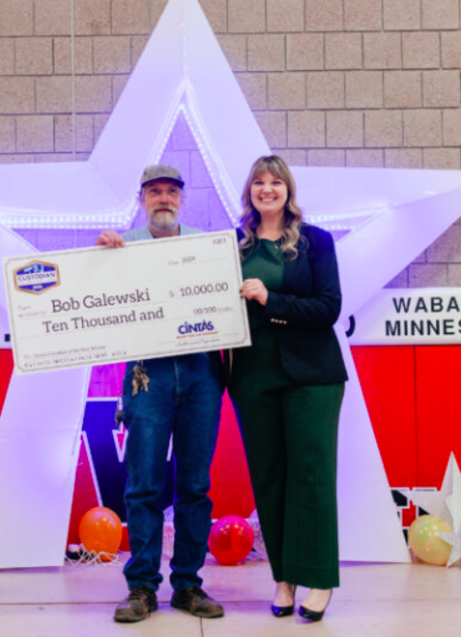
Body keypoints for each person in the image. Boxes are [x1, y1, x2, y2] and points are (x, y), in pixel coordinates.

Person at [97, 164, 226, 623]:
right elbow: (95, 296)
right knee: (144, 484)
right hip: (146, 375)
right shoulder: (121, 247)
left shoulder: (206, 247)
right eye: (155, 192)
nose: (164, 199)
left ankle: (189, 585)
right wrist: (99, 261)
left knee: (195, 485)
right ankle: (141, 588)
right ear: (142, 200)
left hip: (200, 372)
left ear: (182, 200)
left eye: (172, 192)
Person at [226, 155, 348, 622]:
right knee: (270, 478)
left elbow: (328, 307)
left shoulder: (316, 241)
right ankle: (284, 578)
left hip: (312, 377)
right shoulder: (233, 245)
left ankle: (318, 579)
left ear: (288, 190)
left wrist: (270, 300)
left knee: (311, 478)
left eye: (275, 181)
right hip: (252, 375)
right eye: (258, 181)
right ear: (249, 191)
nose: (267, 189)